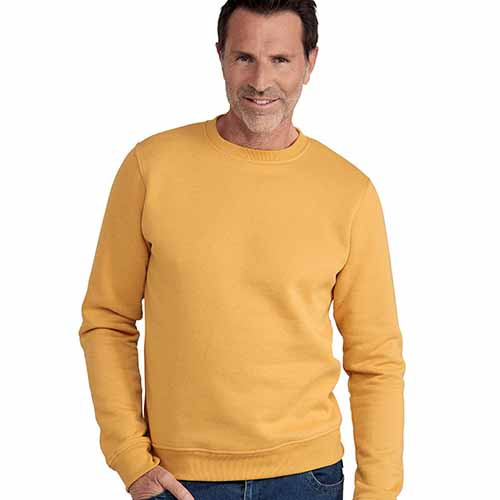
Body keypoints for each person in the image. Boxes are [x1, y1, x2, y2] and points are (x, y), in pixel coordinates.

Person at [78, 1, 406, 499]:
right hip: (177, 479)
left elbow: (375, 358)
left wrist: (378, 492)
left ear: (310, 63)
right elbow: (107, 320)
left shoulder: (349, 192)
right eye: (244, 58)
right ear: (220, 57)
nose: (260, 81)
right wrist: (129, 457)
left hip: (307, 478)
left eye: (280, 60)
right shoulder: (152, 167)